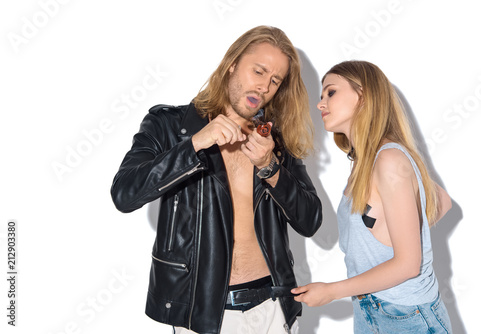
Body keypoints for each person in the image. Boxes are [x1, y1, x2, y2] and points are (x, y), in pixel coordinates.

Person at [110, 25, 322, 334]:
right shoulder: (170, 126)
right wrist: (194, 145)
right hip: (203, 313)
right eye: (258, 71)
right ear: (232, 64)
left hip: (272, 309)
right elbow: (125, 194)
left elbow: (311, 220)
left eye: (275, 80)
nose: (264, 87)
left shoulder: (273, 141)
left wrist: (270, 166)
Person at [292, 60, 453, 333]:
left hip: (407, 316)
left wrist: (331, 291)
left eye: (331, 92)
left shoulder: (389, 159)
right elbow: (441, 201)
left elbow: (409, 264)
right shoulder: (364, 160)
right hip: (371, 308)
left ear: (364, 96)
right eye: (322, 96)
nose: (321, 103)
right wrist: (395, 230)